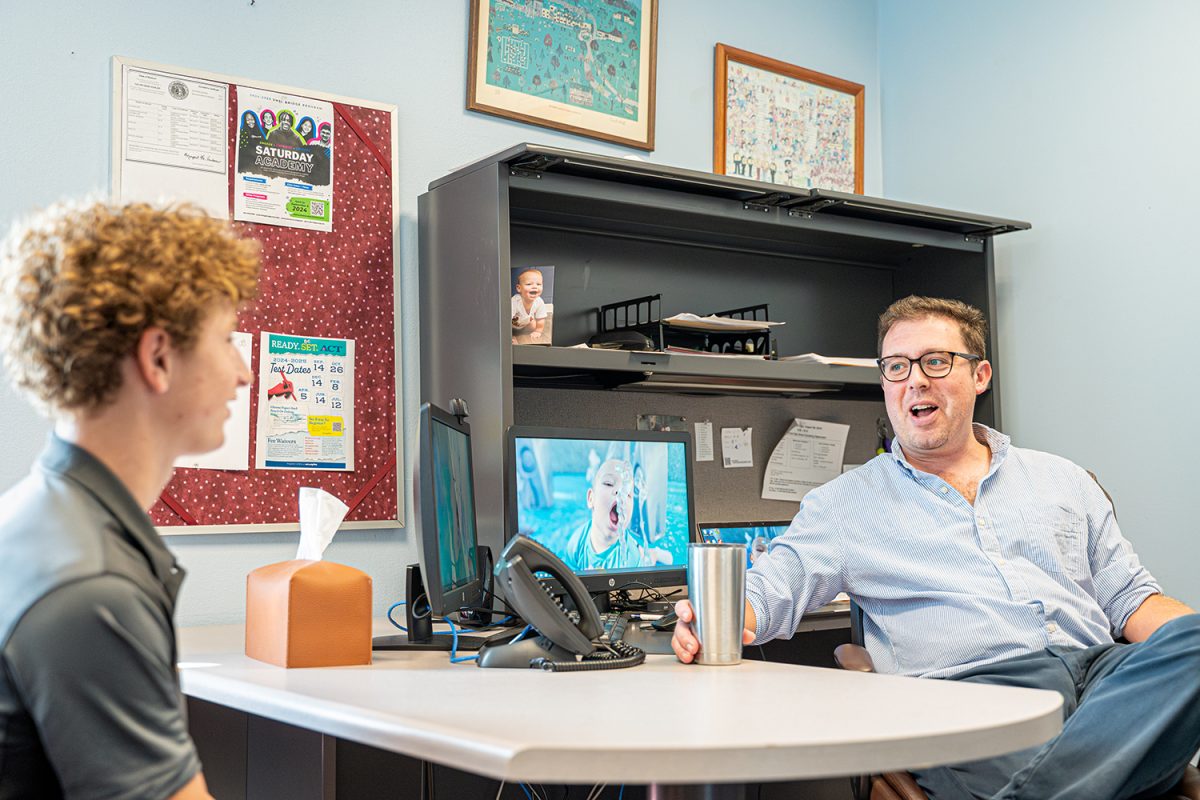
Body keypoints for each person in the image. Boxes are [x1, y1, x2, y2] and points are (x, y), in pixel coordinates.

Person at [672, 295, 1200, 800]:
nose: (915, 380)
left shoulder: (1063, 480)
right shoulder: (844, 505)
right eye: (896, 366)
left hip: (1102, 677)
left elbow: (1133, 600)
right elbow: (773, 586)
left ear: (980, 375)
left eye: (936, 361)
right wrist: (716, 615)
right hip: (970, 697)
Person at [0, 200, 259, 799]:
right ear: (159, 357)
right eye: (226, 339)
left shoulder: (42, 522)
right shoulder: (93, 589)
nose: (243, 373)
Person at [563, 458, 664, 571]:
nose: (620, 492)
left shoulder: (631, 559)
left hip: (636, 553)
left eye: (628, 493)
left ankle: (654, 553)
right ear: (591, 499)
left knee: (647, 560)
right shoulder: (576, 544)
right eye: (609, 483)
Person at [511, 267, 548, 343]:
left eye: (538, 284)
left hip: (526, 322)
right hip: (512, 324)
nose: (535, 286)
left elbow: (540, 319)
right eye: (529, 284)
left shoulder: (539, 302)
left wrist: (538, 331)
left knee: (534, 325)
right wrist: (508, 335)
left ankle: (527, 329)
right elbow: (505, 320)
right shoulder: (515, 301)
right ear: (519, 288)